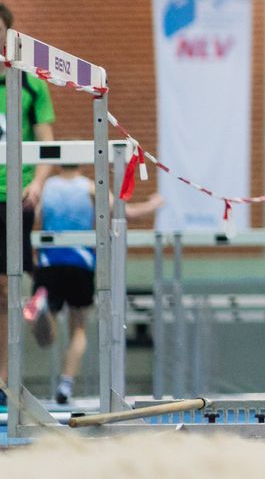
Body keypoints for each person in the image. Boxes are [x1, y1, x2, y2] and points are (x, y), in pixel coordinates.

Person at [25, 162, 162, 405]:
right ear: (81, 164)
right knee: (78, 328)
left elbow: (30, 216)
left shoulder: (45, 187)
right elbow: (125, 214)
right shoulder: (90, 187)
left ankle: (45, 309)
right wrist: (153, 204)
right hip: (81, 263)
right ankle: (66, 384)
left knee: (46, 339)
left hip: (48, 262)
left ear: (57, 164)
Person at [0, 1, 54, 404]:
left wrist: (38, 181)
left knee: (5, 285)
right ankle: (39, 293)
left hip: (14, 196)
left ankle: (3, 379)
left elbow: (47, 144)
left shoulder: (31, 84)